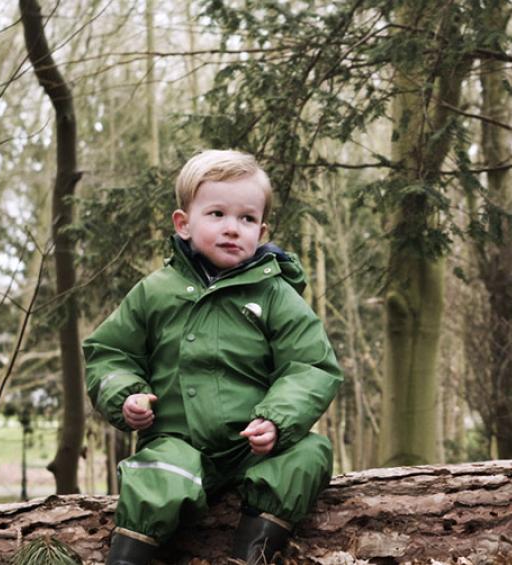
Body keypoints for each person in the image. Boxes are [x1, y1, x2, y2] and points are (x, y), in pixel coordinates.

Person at [85, 150, 343, 564]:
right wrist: (126, 396)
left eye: (246, 219)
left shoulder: (275, 295)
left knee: (309, 454)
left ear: (262, 229)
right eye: (217, 214)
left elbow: (311, 365)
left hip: (252, 448)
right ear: (184, 225)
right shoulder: (155, 292)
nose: (232, 228)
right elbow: (109, 352)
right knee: (157, 476)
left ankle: (254, 552)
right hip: (177, 440)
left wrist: (277, 419)